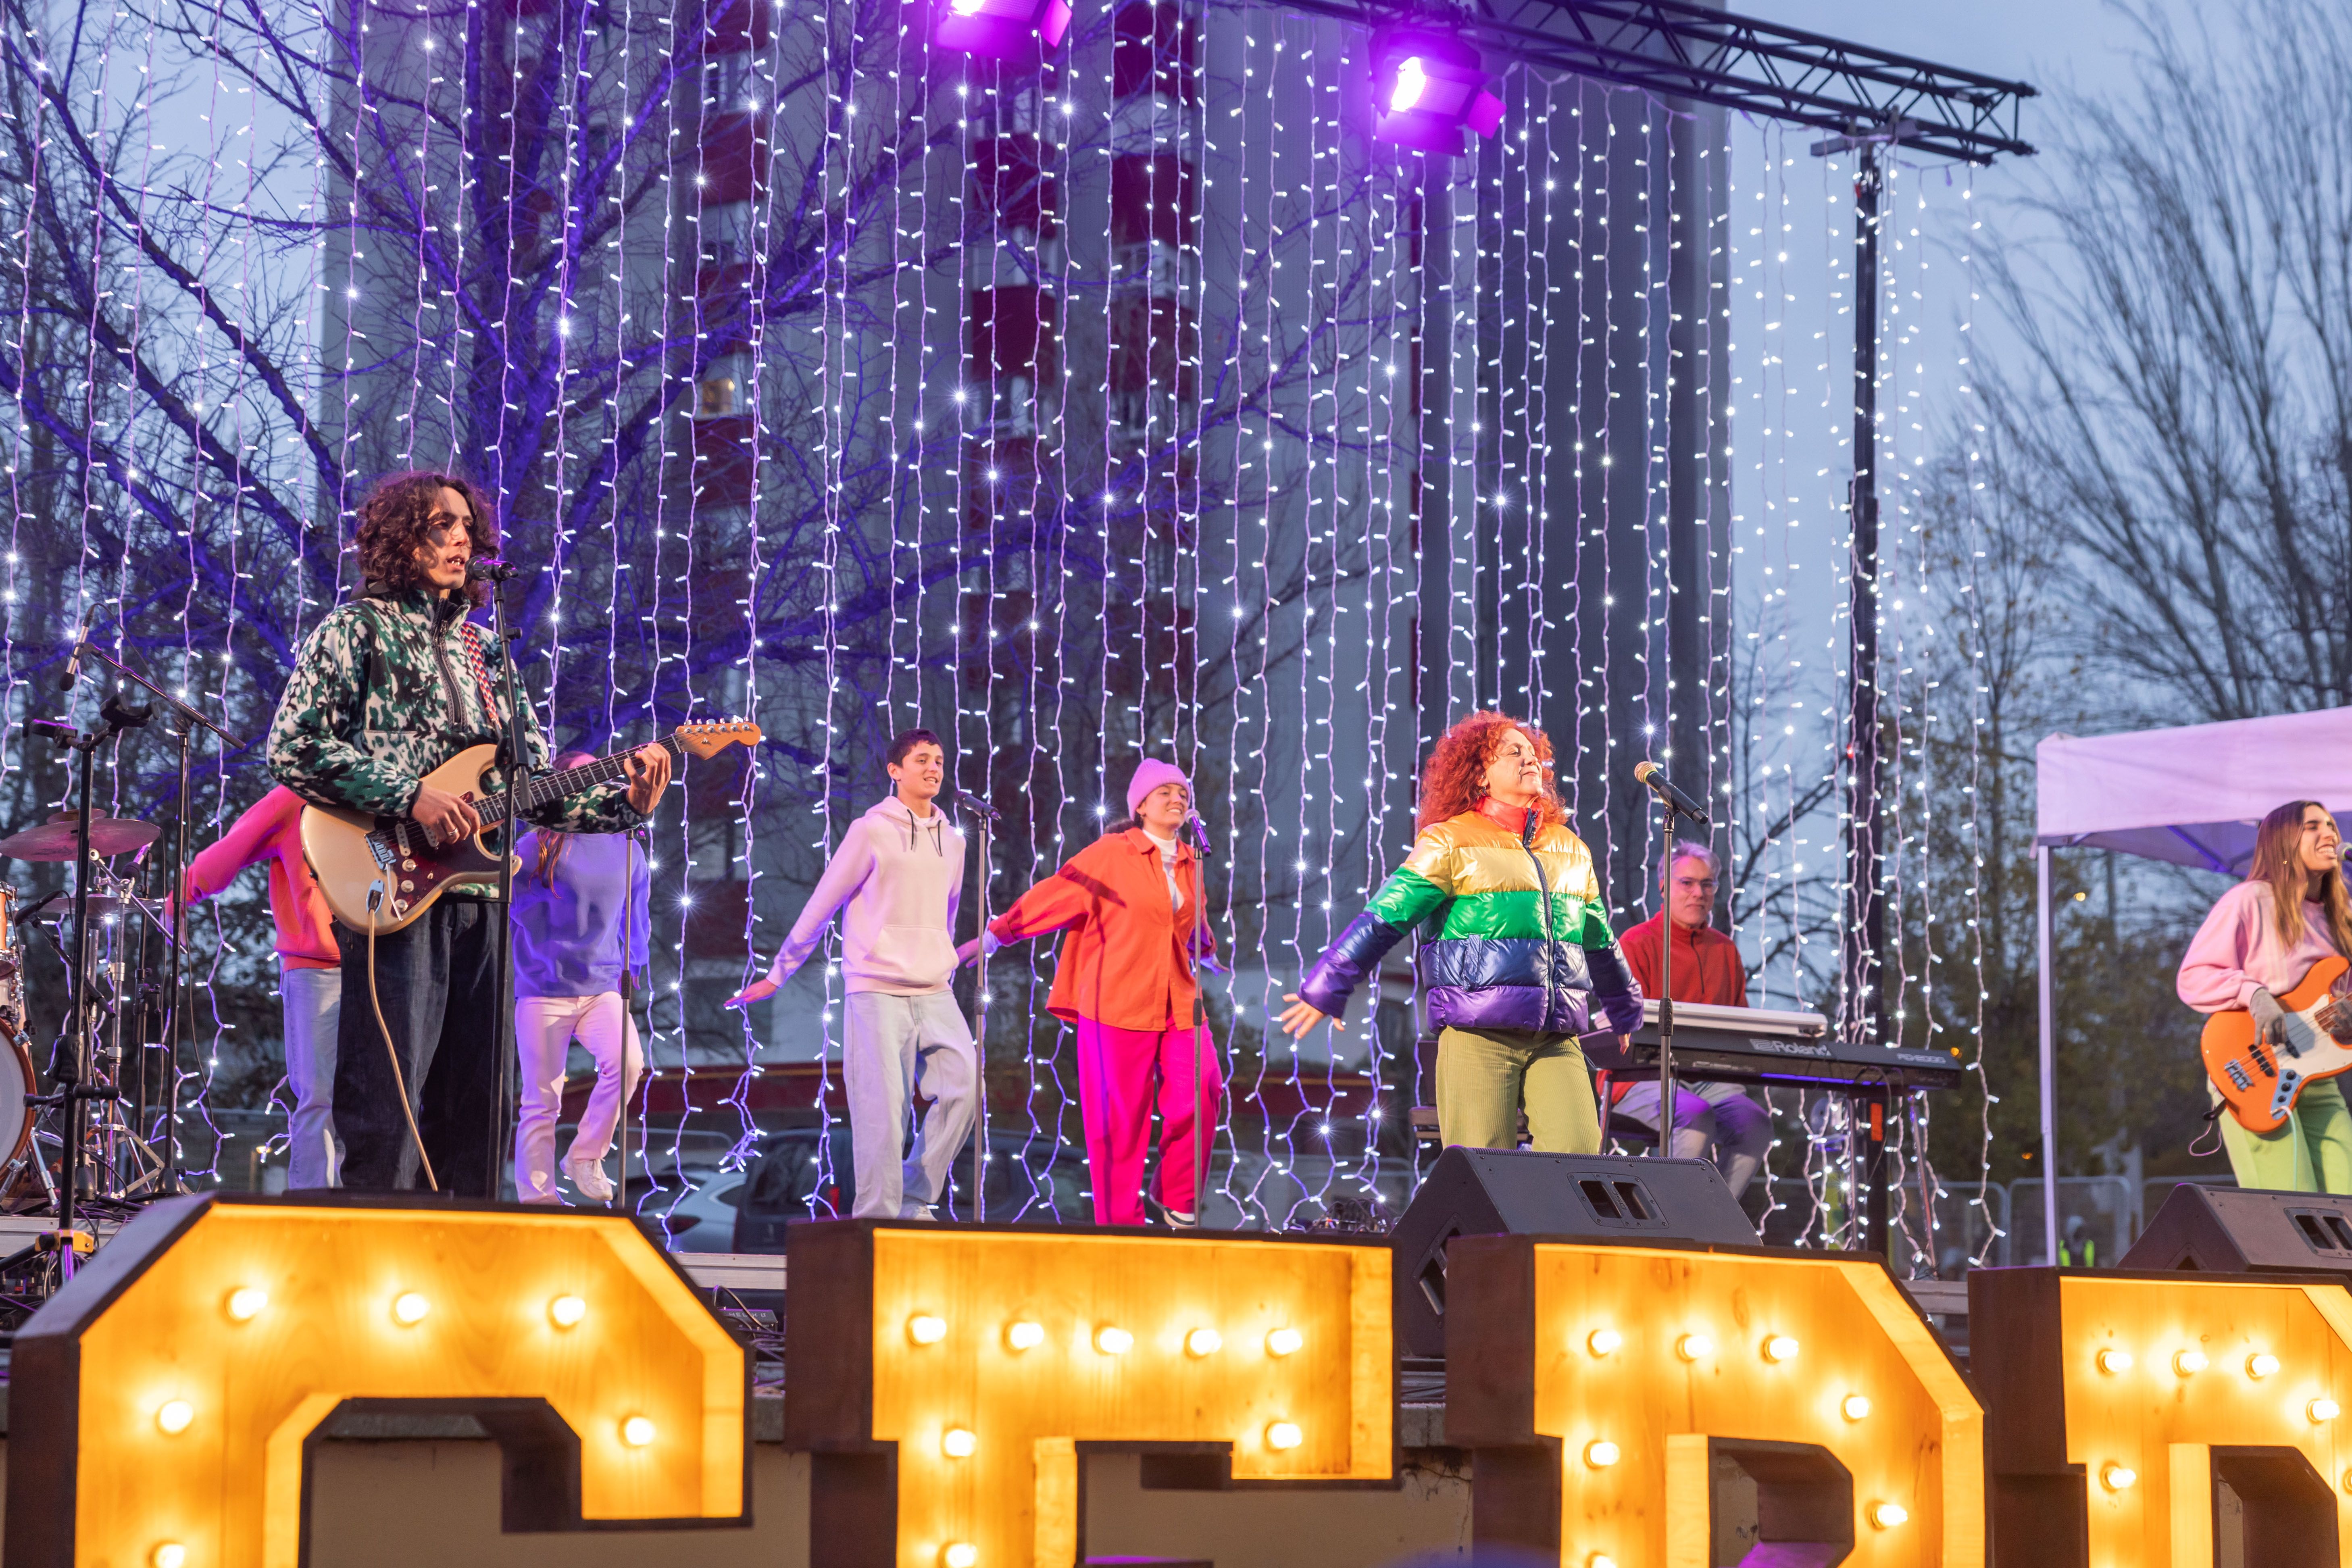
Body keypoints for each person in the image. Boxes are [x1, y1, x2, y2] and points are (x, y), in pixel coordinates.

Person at [267, 470, 672, 1196]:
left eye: (465, 528)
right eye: (439, 526)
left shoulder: (488, 653)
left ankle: (464, 1263)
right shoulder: (356, 629)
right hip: (388, 881)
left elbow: (536, 789)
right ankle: (375, 1265)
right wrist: (410, 795)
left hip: (480, 894)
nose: (460, 538)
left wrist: (625, 808)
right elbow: (293, 747)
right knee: (387, 1105)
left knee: (482, 1099)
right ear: (400, 539)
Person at [1276, 711, 1644, 1153]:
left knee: (1579, 1155)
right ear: (1480, 775)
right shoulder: (1449, 841)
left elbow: (1597, 937)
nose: (1530, 761)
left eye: (1533, 753)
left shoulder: (1570, 848)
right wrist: (1327, 986)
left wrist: (1624, 1006)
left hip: (1556, 1034)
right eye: (1513, 752)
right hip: (1478, 1029)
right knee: (1481, 1171)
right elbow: (1384, 918)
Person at [726, 729, 976, 1220]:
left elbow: (947, 915)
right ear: (895, 771)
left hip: (934, 986)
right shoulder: (871, 830)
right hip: (877, 986)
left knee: (965, 1086)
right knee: (883, 1108)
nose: (934, 768)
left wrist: (942, 959)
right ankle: (877, 1216)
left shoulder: (954, 841)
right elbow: (824, 902)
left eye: (940, 760)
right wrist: (779, 973)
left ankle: (914, 1195)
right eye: (922, 759)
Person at [961, 759, 1221, 1226]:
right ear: (1140, 806)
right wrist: (995, 936)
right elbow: (1054, 895)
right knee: (1118, 1127)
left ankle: (1177, 1199)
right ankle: (1121, 1229)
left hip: (1178, 1001)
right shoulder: (1110, 853)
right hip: (1115, 1002)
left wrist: (1207, 948)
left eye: (1182, 793)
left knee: (1202, 1089)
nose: (1177, 799)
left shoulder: (1190, 861)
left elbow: (1189, 923)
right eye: (1165, 793)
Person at [2178, 799, 2352, 1192]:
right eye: (2313, 826)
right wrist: (2255, 995)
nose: (2329, 833)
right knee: (2293, 1213)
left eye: (2330, 825)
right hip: (2255, 1070)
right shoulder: (2249, 900)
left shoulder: (2340, 917)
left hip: (2319, 1078)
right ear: (2281, 841)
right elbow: (2193, 975)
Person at [180, 785, 345, 1188]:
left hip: (387, 959)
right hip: (318, 966)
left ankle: (369, 1212)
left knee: (373, 1099)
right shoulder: (294, 797)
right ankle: (313, 1212)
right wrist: (175, 899)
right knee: (320, 1097)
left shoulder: (390, 788)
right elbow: (225, 855)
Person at [509, 754, 650, 1205]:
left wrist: (635, 961)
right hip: (543, 988)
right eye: (584, 776)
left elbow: (637, 911)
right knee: (541, 1100)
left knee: (627, 1064)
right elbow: (508, 901)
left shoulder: (626, 843)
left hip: (602, 985)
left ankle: (586, 1155)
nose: (597, 785)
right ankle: (538, 1199)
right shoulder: (536, 843)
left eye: (601, 776)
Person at [1611, 839, 1771, 1196]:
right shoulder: (1636, 942)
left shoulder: (1725, 949)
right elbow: (1621, 1025)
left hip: (1706, 1078)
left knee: (1755, 1125)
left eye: (1707, 884)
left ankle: (1713, 1220)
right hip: (1640, 1077)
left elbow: (1738, 1026)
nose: (1698, 893)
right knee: (1694, 1116)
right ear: (1664, 887)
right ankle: (1673, 1227)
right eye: (1687, 882)